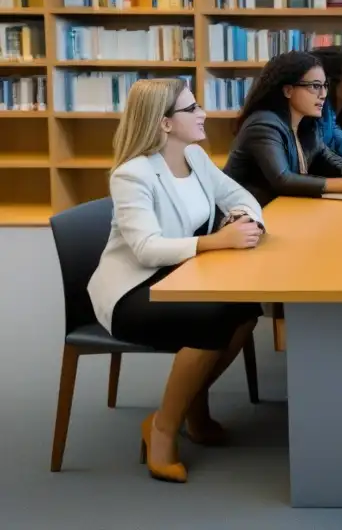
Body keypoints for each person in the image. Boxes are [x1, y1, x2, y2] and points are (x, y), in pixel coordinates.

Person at [86, 78, 267, 484]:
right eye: (192, 109)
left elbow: (242, 195)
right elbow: (147, 249)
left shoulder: (196, 158)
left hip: (179, 275)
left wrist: (244, 219)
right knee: (210, 320)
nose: (203, 114)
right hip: (132, 290)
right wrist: (216, 241)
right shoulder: (132, 175)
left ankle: (193, 406)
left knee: (246, 311)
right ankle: (163, 428)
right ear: (165, 123)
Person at [223, 51, 342, 207]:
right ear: (288, 90)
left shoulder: (305, 124)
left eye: (325, 86)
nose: (323, 94)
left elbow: (325, 157)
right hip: (239, 217)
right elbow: (283, 180)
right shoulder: (263, 125)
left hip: (277, 210)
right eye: (315, 86)